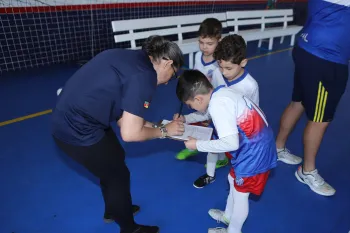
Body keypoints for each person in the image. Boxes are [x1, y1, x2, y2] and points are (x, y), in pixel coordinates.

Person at [51, 35, 185, 233]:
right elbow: (130, 134)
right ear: (168, 63)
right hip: (77, 130)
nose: (167, 83)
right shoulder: (144, 76)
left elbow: (125, 115)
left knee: (115, 160)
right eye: (173, 76)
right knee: (118, 175)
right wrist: (165, 132)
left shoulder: (127, 57)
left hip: (71, 119)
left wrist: (158, 125)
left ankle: (114, 209)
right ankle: (129, 228)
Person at [175, 70, 277, 233]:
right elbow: (207, 114)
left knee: (241, 194)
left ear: (198, 99)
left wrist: (197, 145)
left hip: (254, 154)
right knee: (232, 179)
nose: (191, 107)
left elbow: (230, 143)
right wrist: (186, 119)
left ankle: (233, 231)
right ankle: (228, 216)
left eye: (190, 105)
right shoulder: (219, 93)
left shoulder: (217, 105)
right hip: (253, 147)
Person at [275, 0, 349, 196]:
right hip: (326, 58)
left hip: (307, 49)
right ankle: (307, 172)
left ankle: (278, 148)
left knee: (297, 102)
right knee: (320, 119)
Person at [188, 34, 260, 188]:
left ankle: (238, 177)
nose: (224, 72)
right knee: (212, 145)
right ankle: (210, 175)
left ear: (243, 62)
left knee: (237, 156)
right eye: (220, 66)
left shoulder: (250, 86)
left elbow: (253, 111)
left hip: (240, 129)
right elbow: (211, 97)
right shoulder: (216, 73)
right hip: (218, 121)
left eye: (228, 68)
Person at [175, 18, 222, 161]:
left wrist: (210, 114)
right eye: (201, 42)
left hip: (212, 101)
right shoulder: (197, 56)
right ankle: (193, 146)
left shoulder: (219, 65)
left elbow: (219, 88)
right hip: (198, 99)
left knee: (215, 130)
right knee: (195, 123)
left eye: (209, 44)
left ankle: (219, 156)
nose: (204, 47)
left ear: (219, 41)